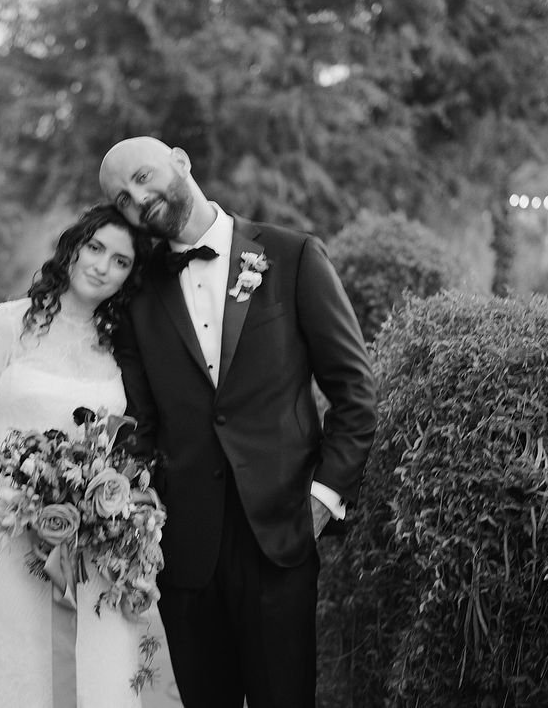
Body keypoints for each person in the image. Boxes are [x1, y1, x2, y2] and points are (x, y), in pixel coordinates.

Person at [100, 137, 378, 708]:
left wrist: (322, 499)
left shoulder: (294, 255)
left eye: (145, 177)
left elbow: (354, 391)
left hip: (280, 538)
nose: (140, 199)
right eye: (124, 199)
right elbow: (140, 424)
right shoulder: (136, 293)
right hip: (185, 550)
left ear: (181, 161)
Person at [0, 203, 153, 707]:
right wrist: (26, 504)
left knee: (100, 683)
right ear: (72, 246)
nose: (102, 266)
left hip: (92, 553)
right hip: (3, 542)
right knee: (9, 683)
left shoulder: (119, 347)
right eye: (95, 248)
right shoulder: (6, 325)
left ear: (129, 276)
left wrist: (115, 512)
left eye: (120, 261)